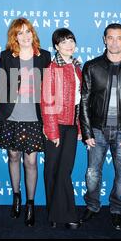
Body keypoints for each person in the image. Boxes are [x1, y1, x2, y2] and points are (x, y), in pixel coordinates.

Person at [80, 23, 121, 230]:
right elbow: (84, 100)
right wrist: (87, 131)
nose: (115, 42)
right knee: (92, 174)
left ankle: (118, 210)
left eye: (119, 38)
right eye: (110, 37)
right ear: (104, 39)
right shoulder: (92, 66)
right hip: (97, 132)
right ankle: (92, 206)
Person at [0, 18, 50, 227]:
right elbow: (0, 86)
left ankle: (30, 203)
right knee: (13, 156)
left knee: (31, 162)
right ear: (14, 36)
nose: (25, 36)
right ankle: (16, 197)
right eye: (20, 33)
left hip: (34, 116)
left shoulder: (44, 56)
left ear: (32, 34)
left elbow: (50, 86)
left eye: (28, 32)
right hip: (11, 115)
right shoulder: (6, 56)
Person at [41, 28, 82, 229]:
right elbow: (47, 102)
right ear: (56, 46)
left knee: (64, 170)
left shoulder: (77, 67)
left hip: (72, 126)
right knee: (52, 170)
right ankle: (61, 214)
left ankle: (58, 213)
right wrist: (52, 131)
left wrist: (81, 127)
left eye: (71, 40)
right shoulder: (52, 68)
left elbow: (80, 102)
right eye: (64, 42)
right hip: (56, 125)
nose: (69, 45)